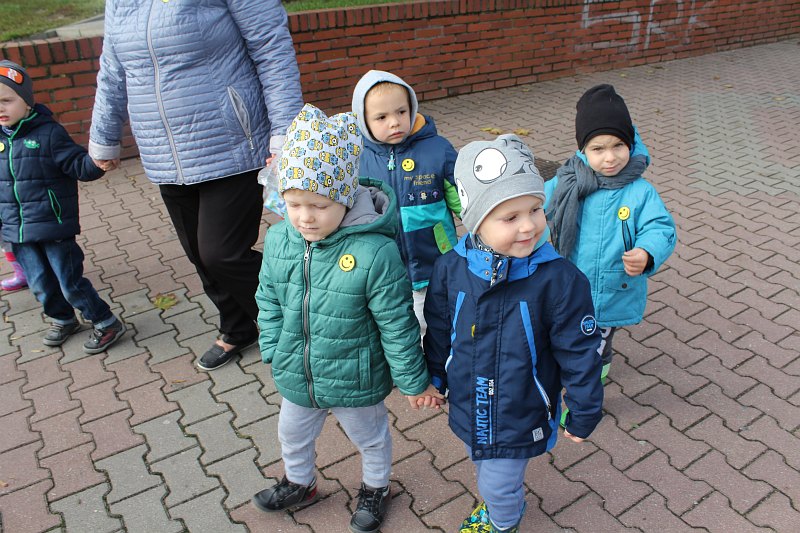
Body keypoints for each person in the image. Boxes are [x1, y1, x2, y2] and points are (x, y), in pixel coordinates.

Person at [252, 104, 442, 533]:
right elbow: (268, 298)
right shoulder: (280, 239)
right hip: (298, 371)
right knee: (291, 434)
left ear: (345, 197)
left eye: (319, 205)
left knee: (370, 438)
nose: (305, 217)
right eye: (294, 204)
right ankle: (300, 482)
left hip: (355, 376)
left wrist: (413, 382)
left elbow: (397, 324)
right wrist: (272, 346)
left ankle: (376, 488)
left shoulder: (375, 251)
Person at [88, 0, 304, 370]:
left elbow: (272, 47)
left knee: (222, 253)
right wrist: (104, 137)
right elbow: (113, 67)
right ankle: (237, 327)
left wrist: (286, 134)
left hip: (230, 141)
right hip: (162, 150)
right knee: (198, 253)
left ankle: (303, 326)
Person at [423, 135, 604, 533]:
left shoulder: (559, 280)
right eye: (510, 217)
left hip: (521, 409)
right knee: (481, 459)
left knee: (498, 482)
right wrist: (434, 376)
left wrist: (584, 408)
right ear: (477, 221)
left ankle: (503, 522)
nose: (528, 226)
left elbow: (580, 351)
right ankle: (497, 502)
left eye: (535, 209)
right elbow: (439, 328)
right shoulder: (452, 269)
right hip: (468, 401)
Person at [545, 84, 677, 387]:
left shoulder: (640, 191)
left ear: (630, 143)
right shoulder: (567, 182)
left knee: (596, 348)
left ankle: (589, 390)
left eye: (618, 145)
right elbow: (535, 205)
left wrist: (647, 252)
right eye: (598, 149)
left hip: (612, 289)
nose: (610, 157)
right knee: (567, 336)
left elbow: (660, 228)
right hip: (570, 285)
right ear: (582, 150)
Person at [0, 61, 125, 353]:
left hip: (53, 225)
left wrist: (98, 163)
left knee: (70, 281)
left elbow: (77, 164)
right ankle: (63, 319)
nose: (0, 108)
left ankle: (105, 322)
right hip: (18, 231)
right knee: (40, 283)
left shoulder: (49, 134)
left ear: (27, 102)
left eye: (7, 100)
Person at [351, 70, 461, 337]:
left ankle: (439, 359)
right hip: (384, 269)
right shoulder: (356, 158)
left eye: (401, 111)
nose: (394, 122)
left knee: (437, 325)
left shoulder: (438, 150)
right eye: (381, 117)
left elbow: (464, 200)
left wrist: (487, 226)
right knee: (393, 329)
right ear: (363, 120)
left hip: (434, 262)